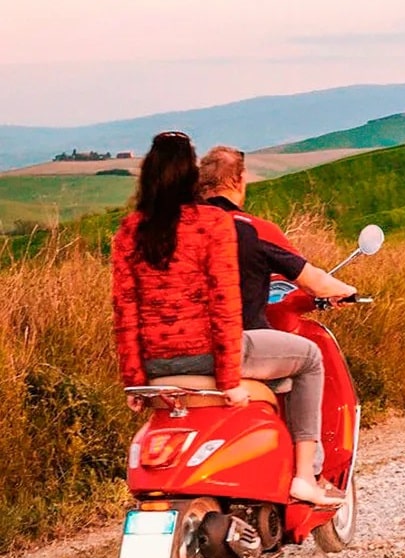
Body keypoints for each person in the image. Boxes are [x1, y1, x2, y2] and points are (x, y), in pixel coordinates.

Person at [111, 132, 333, 506]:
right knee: (310, 357)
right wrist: (229, 381)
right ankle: (304, 476)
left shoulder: (131, 230)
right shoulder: (211, 223)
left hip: (155, 363)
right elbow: (224, 304)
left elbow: (125, 311)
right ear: (189, 176)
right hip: (210, 355)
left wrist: (135, 380)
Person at [197, 145, 356, 504]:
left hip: (175, 351)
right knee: (310, 359)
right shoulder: (250, 228)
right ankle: (305, 475)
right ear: (238, 180)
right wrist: (346, 291)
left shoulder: (178, 229)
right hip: (237, 345)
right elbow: (312, 280)